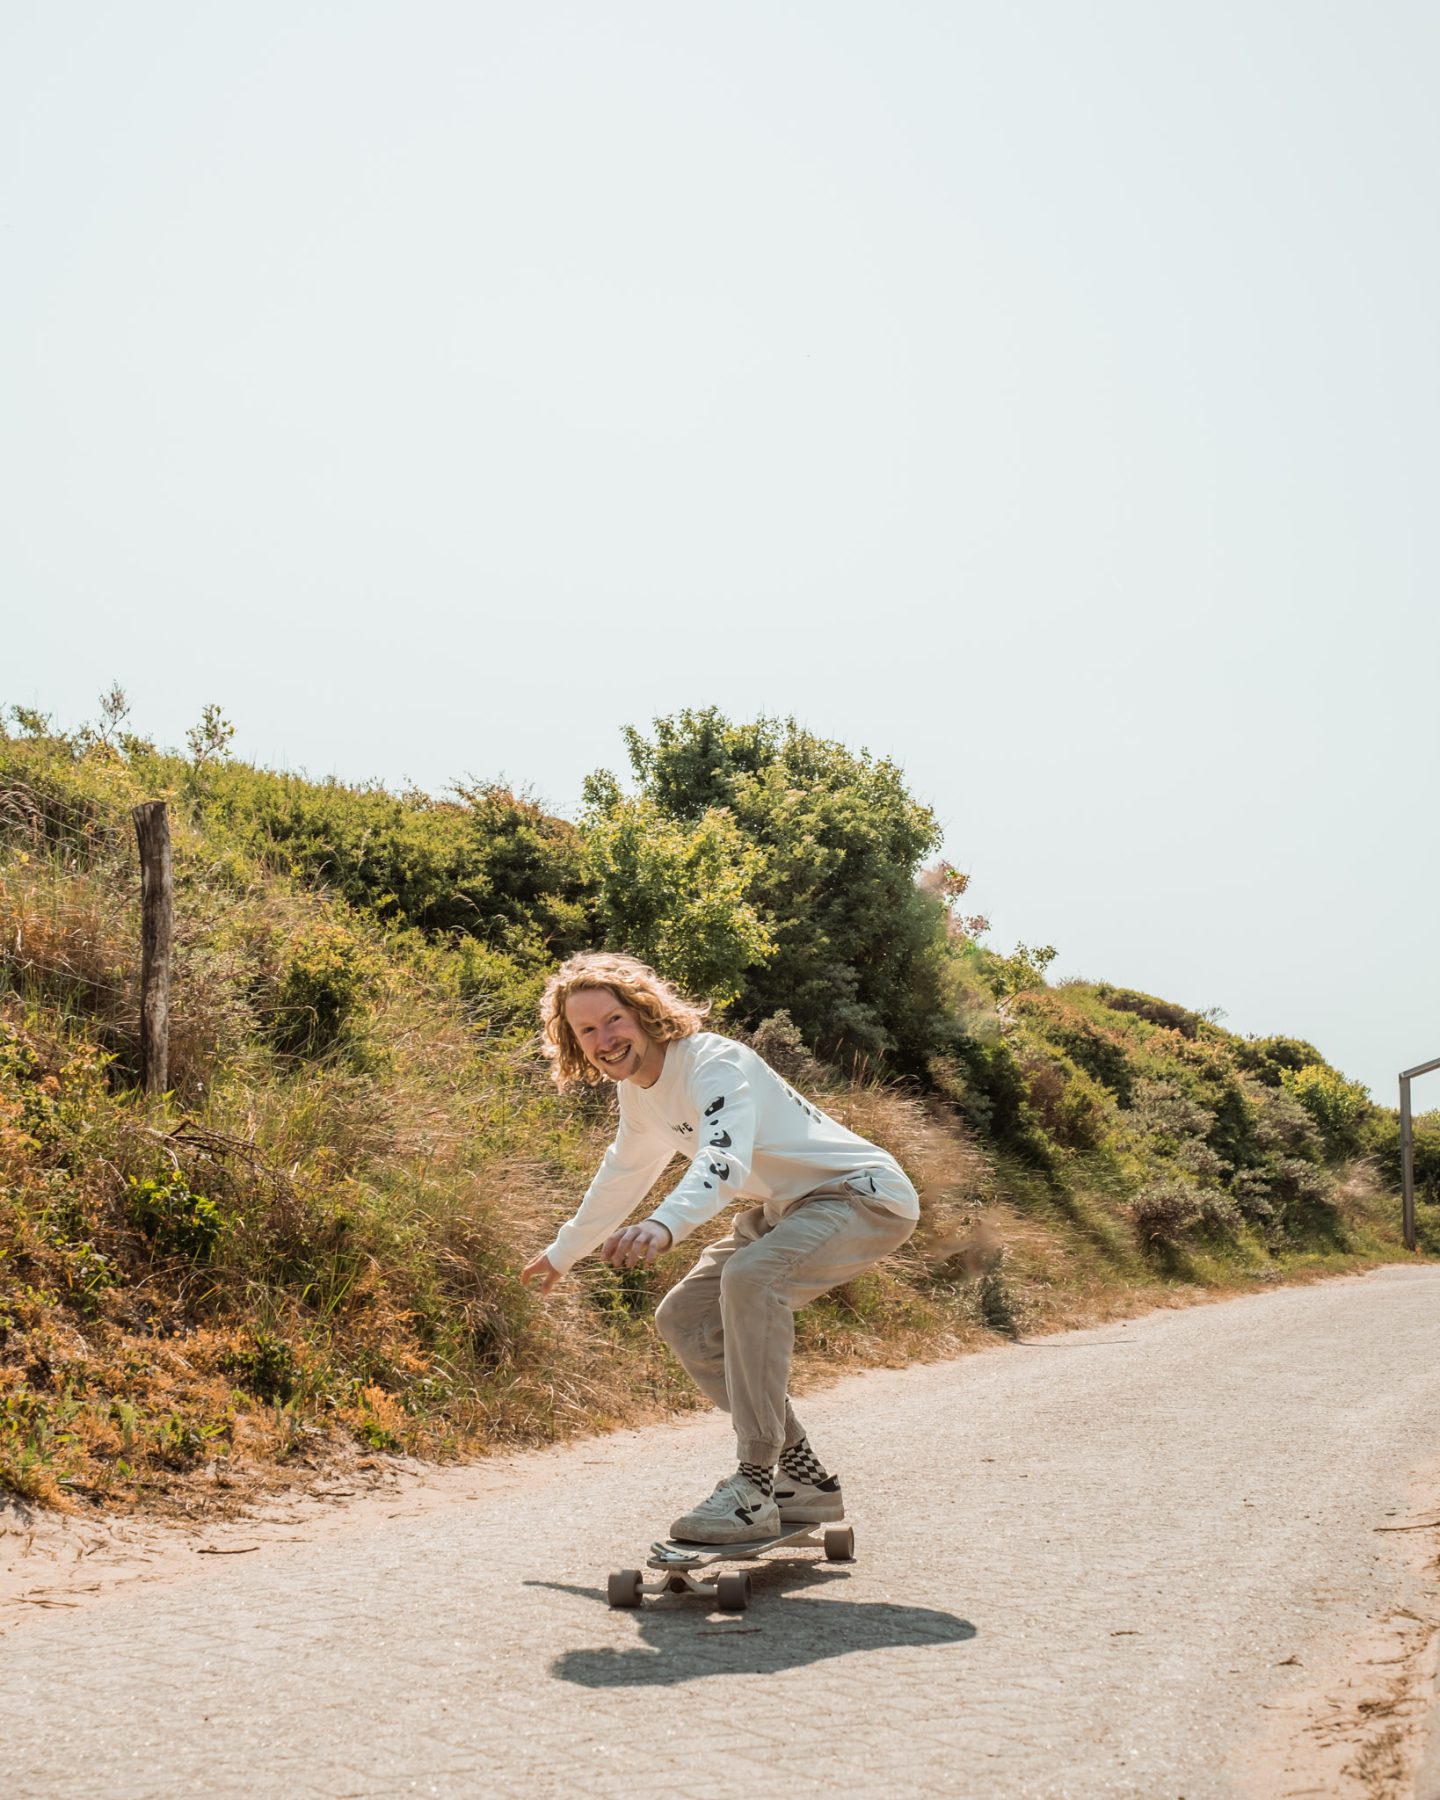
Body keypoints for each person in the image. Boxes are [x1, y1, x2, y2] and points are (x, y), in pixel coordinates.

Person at [520, 951, 919, 1545]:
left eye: (614, 1019)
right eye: (587, 1030)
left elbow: (722, 1158)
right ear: (575, 1044)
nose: (605, 1039)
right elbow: (620, 1177)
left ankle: (755, 1483)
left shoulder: (713, 1062)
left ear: (644, 1012)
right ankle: (804, 1480)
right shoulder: (638, 1097)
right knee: (683, 1317)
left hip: (862, 1196)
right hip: (791, 1209)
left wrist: (664, 1225)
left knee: (752, 1279)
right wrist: (562, 1253)